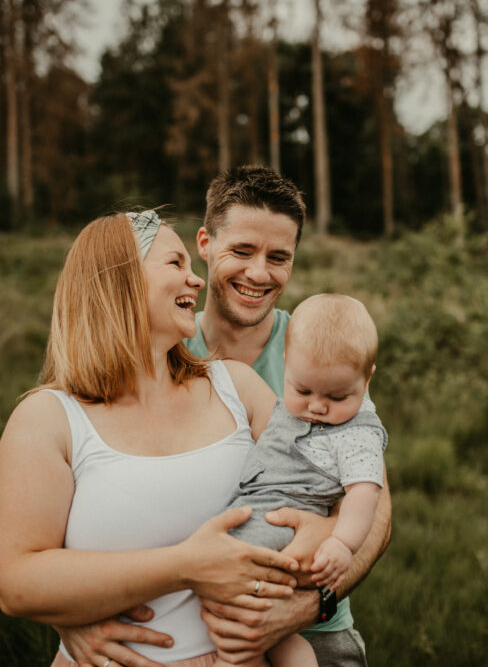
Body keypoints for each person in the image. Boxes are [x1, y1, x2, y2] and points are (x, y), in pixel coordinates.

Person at [57, 166, 392, 667]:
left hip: (308, 623)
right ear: (205, 243)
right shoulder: (158, 338)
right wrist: (70, 618)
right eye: (242, 251)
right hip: (173, 624)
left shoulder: (319, 350)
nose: (260, 273)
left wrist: (303, 608)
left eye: (279, 258)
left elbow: (376, 506)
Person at [0, 210, 304, 667]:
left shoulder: (236, 388)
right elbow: (16, 581)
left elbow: (324, 483)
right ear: (119, 279)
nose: (196, 280)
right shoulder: (48, 418)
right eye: (175, 264)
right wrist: (185, 566)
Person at [215, 293, 388, 667]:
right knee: (253, 629)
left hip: (283, 537)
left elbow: (364, 495)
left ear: (367, 378)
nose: (317, 406)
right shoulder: (286, 392)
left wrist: (341, 543)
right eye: (302, 390)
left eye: (337, 396)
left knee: (239, 626)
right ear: (286, 366)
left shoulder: (358, 434)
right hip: (248, 522)